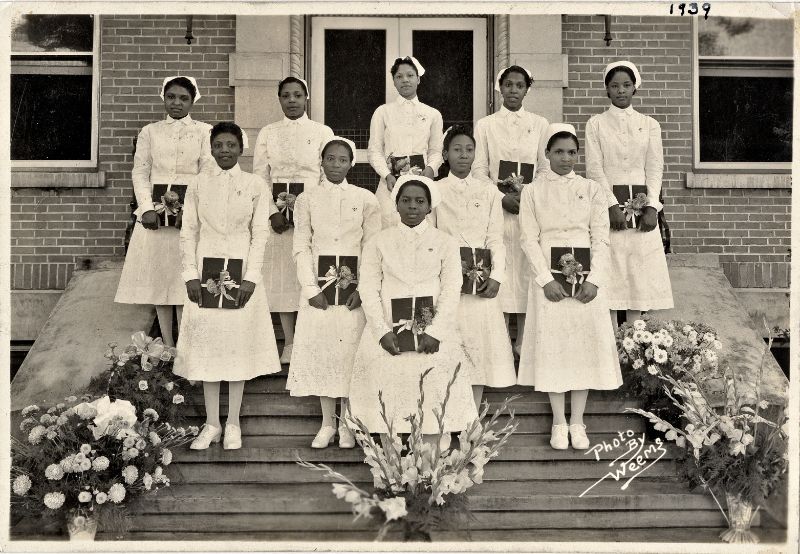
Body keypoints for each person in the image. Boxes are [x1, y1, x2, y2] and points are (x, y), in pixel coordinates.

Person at [174, 122, 282, 451]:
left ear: (241, 148)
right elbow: (188, 231)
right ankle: (211, 424)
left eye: (231, 145)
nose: (224, 150)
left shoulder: (254, 185)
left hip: (241, 270)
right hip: (206, 270)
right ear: (211, 147)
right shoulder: (197, 185)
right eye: (219, 144)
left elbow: (260, 235)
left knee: (235, 347)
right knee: (208, 348)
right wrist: (190, 274)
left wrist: (251, 278)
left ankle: (232, 422)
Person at [347, 175, 477, 447]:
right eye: (405, 200)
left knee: (432, 399)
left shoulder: (446, 243)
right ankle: (389, 471)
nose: (412, 207)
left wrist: (436, 332)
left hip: (433, 335)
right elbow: (369, 289)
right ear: (395, 204)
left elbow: (452, 289)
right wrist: (382, 331)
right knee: (388, 403)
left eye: (420, 201)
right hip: (387, 333)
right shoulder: (379, 242)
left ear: (430, 206)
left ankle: (431, 470)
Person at [517, 123, 622, 451]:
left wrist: (594, 281)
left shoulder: (592, 190)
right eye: (559, 152)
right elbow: (528, 239)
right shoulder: (532, 191)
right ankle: (558, 423)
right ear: (547, 154)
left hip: (586, 275)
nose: (565, 158)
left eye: (572, 152)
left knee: (581, 349)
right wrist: (545, 280)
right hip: (549, 279)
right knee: (554, 350)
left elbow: (601, 238)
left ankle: (577, 420)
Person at [287, 136, 382, 449]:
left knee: (351, 354)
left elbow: (372, 247)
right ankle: (328, 422)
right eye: (331, 158)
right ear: (322, 161)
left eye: (343, 159)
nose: (337, 165)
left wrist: (365, 290)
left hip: (354, 291)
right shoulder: (307, 199)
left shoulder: (366, 199)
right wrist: (310, 288)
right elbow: (301, 245)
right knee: (325, 353)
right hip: (320, 291)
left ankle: (349, 422)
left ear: (351, 163)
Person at [115, 76, 214, 346]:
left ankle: (186, 346)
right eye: (171, 97)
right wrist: (147, 208)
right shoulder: (150, 132)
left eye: (183, 98)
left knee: (184, 278)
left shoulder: (205, 132)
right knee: (161, 279)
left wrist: (191, 210)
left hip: (189, 214)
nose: (177, 103)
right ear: (163, 98)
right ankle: (168, 346)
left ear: (193, 101)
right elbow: (141, 171)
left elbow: (207, 171)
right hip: (156, 216)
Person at [584, 61, 674, 325]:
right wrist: (611, 205)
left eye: (626, 85)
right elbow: (594, 168)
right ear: (607, 91)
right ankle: (610, 335)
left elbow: (655, 167)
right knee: (611, 265)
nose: (620, 90)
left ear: (635, 88)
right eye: (614, 86)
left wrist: (652, 208)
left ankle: (635, 338)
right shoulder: (596, 124)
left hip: (643, 207)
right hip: (608, 206)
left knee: (638, 267)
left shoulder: (649, 124)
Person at [253, 76, 334, 365]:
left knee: (310, 274)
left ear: (307, 97)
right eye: (286, 95)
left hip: (312, 212)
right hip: (278, 218)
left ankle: (310, 342)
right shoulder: (268, 132)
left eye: (297, 95)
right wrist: (271, 213)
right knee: (283, 277)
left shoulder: (322, 131)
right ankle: (288, 341)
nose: (292, 100)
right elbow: (261, 176)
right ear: (279, 99)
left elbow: (327, 174)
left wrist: (315, 214)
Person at [433, 125, 516, 409]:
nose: (463, 155)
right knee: (449, 347)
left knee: (478, 348)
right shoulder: (435, 191)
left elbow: (496, 237)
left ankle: (470, 418)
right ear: (445, 154)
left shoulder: (489, 191)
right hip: (446, 280)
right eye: (457, 150)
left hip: (480, 282)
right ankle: (446, 416)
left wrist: (497, 276)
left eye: (469, 150)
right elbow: (432, 235)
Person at [472, 65, 549, 358]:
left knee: (527, 267)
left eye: (519, 85)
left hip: (528, 208)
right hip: (498, 208)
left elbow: (543, 167)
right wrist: (500, 196)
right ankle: (502, 344)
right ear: (499, 88)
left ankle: (524, 345)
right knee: (501, 265)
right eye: (508, 85)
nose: (514, 90)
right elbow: (480, 168)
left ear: (527, 89)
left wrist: (527, 197)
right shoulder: (486, 125)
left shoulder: (540, 124)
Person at [367, 56, 444, 229]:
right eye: (399, 76)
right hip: (390, 183)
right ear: (393, 81)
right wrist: (386, 175)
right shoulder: (383, 112)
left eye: (410, 75)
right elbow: (374, 150)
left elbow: (436, 150)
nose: (405, 80)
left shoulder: (432, 114)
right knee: (389, 228)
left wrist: (431, 169)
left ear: (418, 79)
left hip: (422, 180)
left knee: (423, 232)